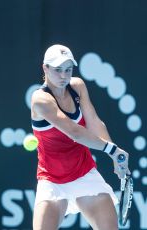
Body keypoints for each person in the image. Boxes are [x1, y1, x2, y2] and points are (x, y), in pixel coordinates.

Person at [31, 44, 130, 230]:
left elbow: (94, 122)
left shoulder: (77, 86)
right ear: (45, 68)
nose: (63, 76)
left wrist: (115, 156)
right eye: (58, 70)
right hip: (51, 181)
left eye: (68, 70)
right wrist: (113, 149)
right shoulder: (40, 100)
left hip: (84, 174)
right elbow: (75, 132)